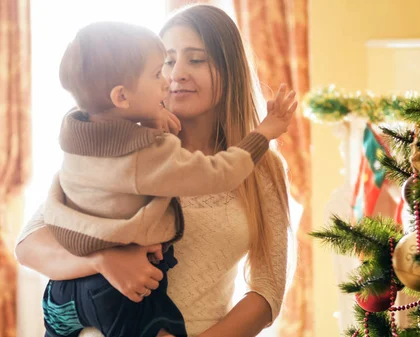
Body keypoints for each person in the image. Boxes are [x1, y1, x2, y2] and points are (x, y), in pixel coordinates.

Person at [16, 4, 291, 337]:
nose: (176, 74)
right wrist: (103, 260)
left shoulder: (262, 169)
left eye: (197, 59)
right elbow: (30, 244)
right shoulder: (120, 147)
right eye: (166, 62)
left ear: (230, 69)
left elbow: (268, 289)